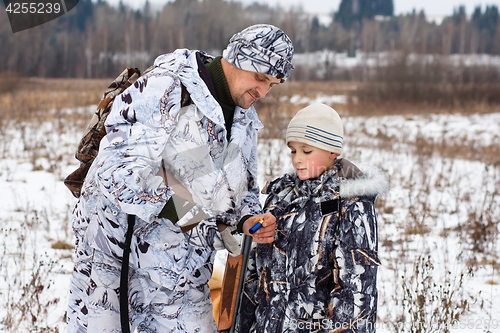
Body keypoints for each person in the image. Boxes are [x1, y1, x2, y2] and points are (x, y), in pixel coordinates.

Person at [67, 24, 294, 332]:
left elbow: (240, 191)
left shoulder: (244, 120)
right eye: (260, 78)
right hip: (114, 267)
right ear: (238, 59)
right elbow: (117, 174)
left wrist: (247, 220)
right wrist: (191, 215)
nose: (264, 92)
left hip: (183, 272)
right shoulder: (167, 86)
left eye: (273, 84)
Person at [237, 103, 389, 333]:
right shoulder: (280, 197)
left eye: (306, 151)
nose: (297, 159)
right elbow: (255, 275)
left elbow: (354, 289)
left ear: (332, 152)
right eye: (293, 150)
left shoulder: (350, 204)